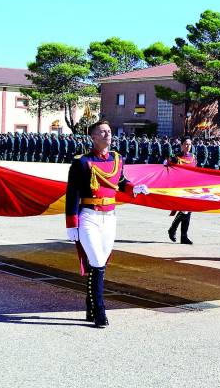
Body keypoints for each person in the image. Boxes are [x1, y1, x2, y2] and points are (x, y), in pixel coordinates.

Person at [65, 121, 148, 327]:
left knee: (101, 262)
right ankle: (100, 310)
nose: (107, 135)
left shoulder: (117, 159)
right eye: (102, 131)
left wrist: (134, 189)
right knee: (97, 260)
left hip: (109, 217)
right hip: (89, 216)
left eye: (109, 131)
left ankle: (90, 305)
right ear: (92, 136)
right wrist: (71, 224)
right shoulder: (82, 162)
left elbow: (119, 181)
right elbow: (72, 194)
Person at [166, 138, 197, 244]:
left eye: (189, 144)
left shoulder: (193, 157)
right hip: (179, 187)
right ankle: (179, 233)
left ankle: (178, 233)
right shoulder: (176, 158)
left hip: (190, 187)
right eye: (186, 144)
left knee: (188, 211)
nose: (188, 146)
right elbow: (168, 169)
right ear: (182, 145)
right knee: (185, 210)